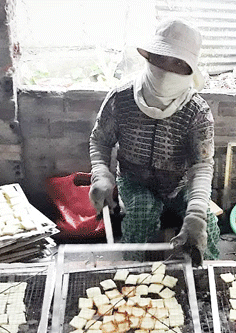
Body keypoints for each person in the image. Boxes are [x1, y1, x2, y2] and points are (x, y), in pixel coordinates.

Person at [88, 18, 219, 265]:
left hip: (180, 185)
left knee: (207, 226)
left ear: (190, 70)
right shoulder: (121, 98)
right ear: (148, 57)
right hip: (134, 181)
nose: (168, 69)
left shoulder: (197, 112)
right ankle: (133, 271)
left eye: (179, 63)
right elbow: (100, 140)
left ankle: (205, 278)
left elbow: (201, 166)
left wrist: (197, 211)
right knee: (141, 214)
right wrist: (101, 174)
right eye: (161, 57)